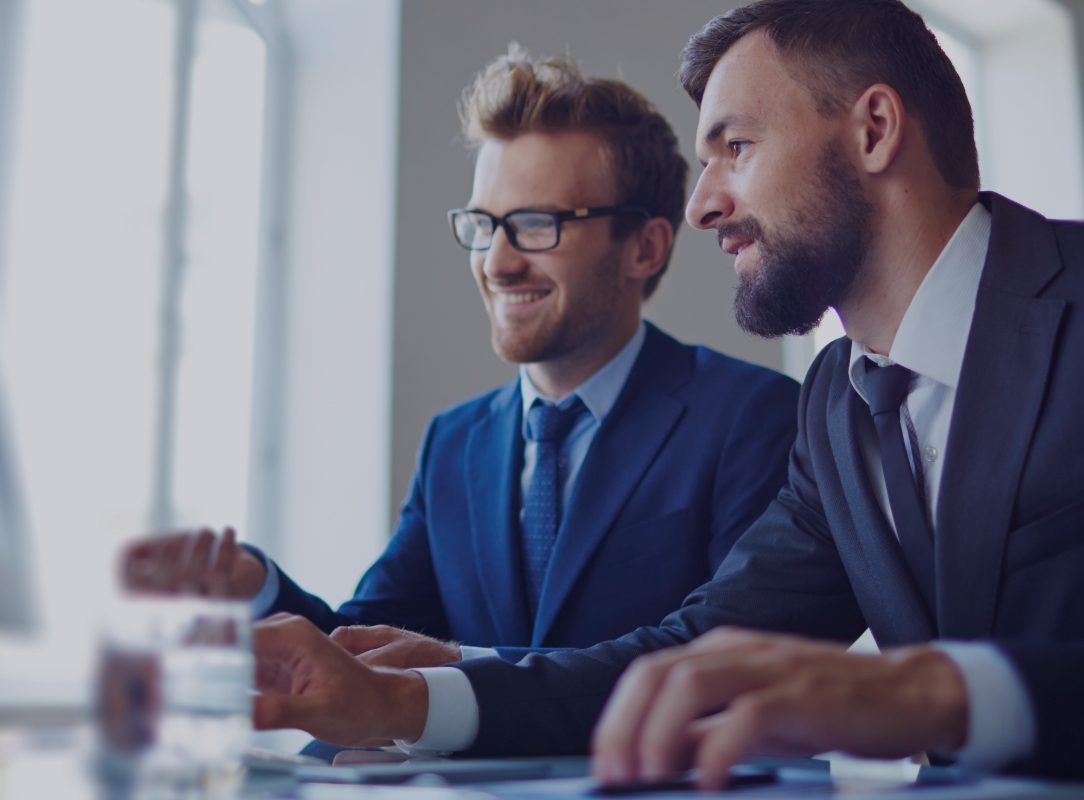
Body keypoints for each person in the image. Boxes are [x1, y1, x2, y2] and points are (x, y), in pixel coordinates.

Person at [242, 0, 1084, 783]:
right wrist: (408, 701)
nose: (702, 205)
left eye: (737, 148)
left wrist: (938, 694)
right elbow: (695, 654)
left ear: (873, 130)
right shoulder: (839, 402)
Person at [122, 53, 798, 669]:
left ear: (644, 249)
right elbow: (364, 657)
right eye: (483, 225)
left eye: (537, 225)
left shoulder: (750, 419)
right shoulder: (455, 443)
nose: (498, 263)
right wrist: (258, 589)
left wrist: (460, 683)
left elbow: (725, 665)